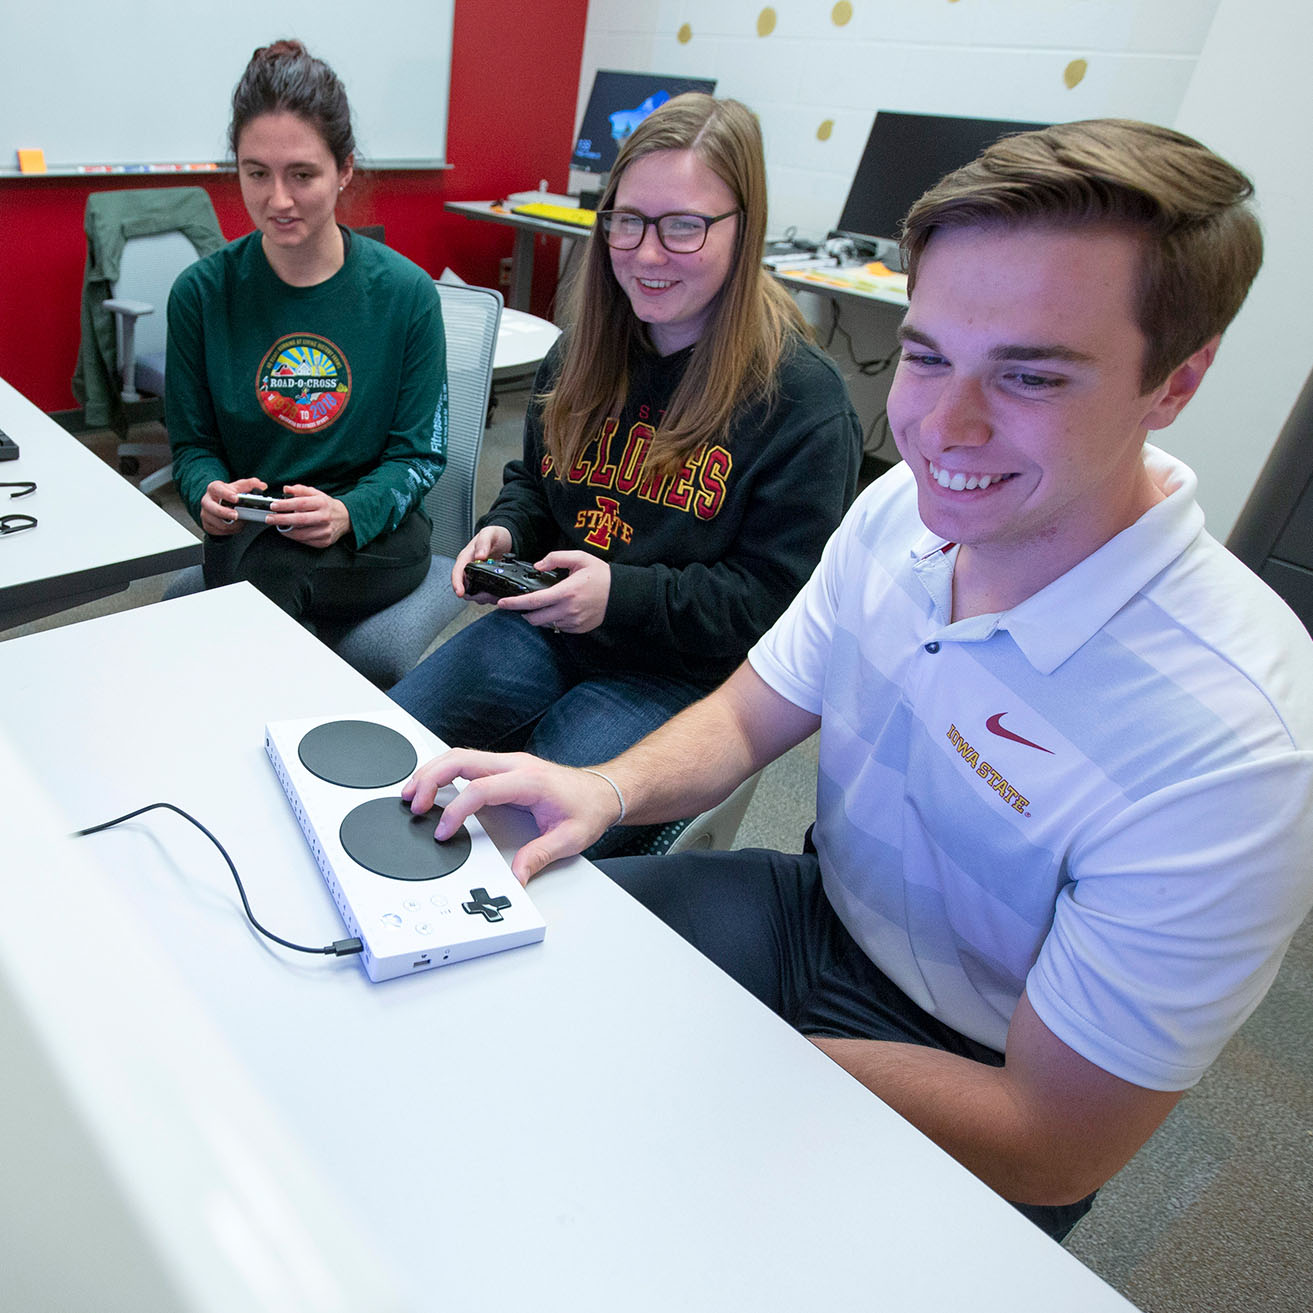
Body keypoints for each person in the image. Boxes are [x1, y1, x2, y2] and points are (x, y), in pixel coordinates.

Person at [400, 119, 1313, 1240]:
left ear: (1174, 380)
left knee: (674, 1200)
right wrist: (611, 792)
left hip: (979, 1063)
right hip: (811, 914)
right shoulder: (898, 514)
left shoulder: (1235, 738)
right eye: (926, 354)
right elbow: (749, 710)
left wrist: (732, 1065)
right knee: (515, 968)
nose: (938, 426)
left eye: (1027, 374)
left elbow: (1055, 1136)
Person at [388, 94, 861, 855]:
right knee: (393, 747)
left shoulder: (800, 401)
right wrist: (506, 528)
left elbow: (777, 609)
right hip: (544, 630)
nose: (644, 253)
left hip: (677, 674)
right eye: (627, 220)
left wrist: (622, 596)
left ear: (744, 228)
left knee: (533, 840)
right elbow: (536, 482)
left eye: (684, 226)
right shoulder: (583, 350)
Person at [166, 40, 447, 630]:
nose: (279, 199)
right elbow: (192, 449)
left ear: (344, 169)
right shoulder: (200, 295)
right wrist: (206, 494)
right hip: (254, 527)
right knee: (257, 568)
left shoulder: (406, 295)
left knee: (265, 581)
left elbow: (419, 457)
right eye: (256, 173)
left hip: (373, 531)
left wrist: (347, 511)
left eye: (303, 174)